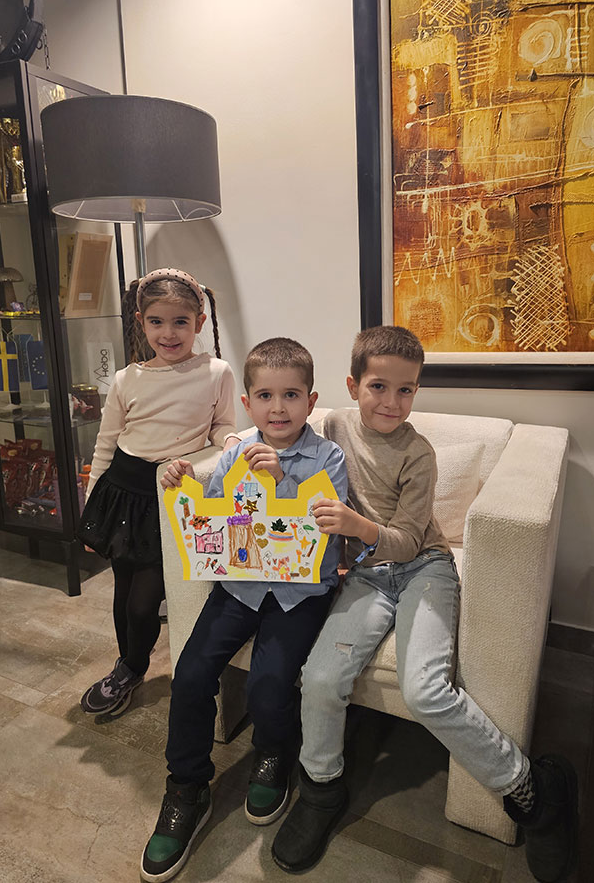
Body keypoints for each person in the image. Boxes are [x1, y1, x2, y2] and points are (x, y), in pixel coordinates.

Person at [271, 326, 578, 883]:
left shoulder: (419, 454)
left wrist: (358, 526)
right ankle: (320, 790)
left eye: (406, 390)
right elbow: (281, 435)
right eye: (378, 387)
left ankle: (530, 786)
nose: (391, 402)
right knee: (319, 678)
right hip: (365, 577)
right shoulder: (333, 426)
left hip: (424, 568)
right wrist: (234, 446)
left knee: (425, 689)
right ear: (353, 386)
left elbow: (410, 540)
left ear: (416, 391)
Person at [140, 338, 348, 883]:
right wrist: (184, 482)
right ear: (248, 403)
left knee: (270, 681)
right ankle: (186, 787)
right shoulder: (236, 452)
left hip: (300, 593)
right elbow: (213, 510)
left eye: (291, 395)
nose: (278, 408)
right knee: (190, 674)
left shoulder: (329, 458)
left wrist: (282, 482)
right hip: (240, 585)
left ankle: (274, 751)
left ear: (310, 401)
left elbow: (326, 532)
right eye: (266, 396)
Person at [78, 268, 239, 718]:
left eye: (180, 322)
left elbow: (223, 424)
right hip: (122, 489)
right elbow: (106, 444)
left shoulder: (216, 372)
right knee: (123, 590)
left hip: (168, 495)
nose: (169, 333)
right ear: (141, 322)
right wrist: (91, 509)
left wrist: (227, 442)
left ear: (199, 322)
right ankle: (126, 667)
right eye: (157, 322)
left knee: (144, 601)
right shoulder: (127, 378)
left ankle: (134, 664)